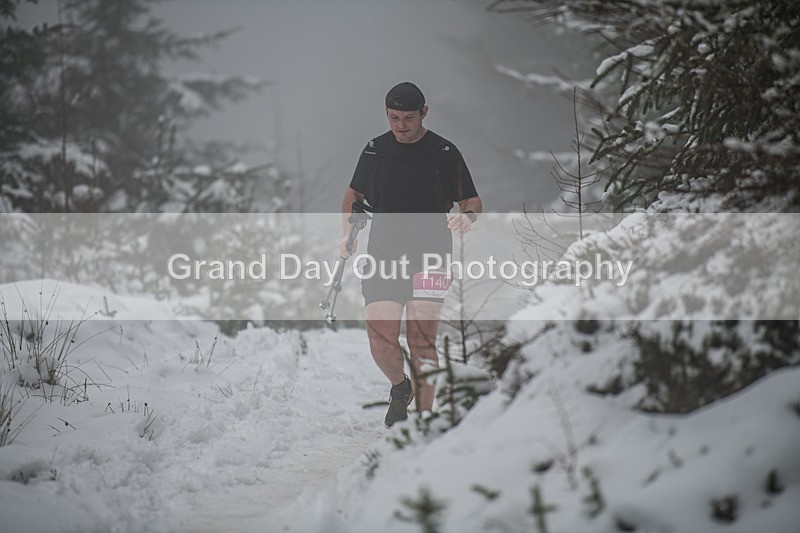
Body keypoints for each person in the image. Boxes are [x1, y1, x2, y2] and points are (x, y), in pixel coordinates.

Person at [339, 81, 482, 428]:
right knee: (380, 336)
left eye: (408, 118)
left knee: (421, 341)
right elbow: (353, 194)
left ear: (424, 113)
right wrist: (348, 232)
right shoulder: (376, 151)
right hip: (383, 256)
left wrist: (467, 216)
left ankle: (423, 423)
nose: (401, 125)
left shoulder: (444, 152)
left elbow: (472, 201)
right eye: (393, 117)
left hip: (431, 256)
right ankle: (401, 387)